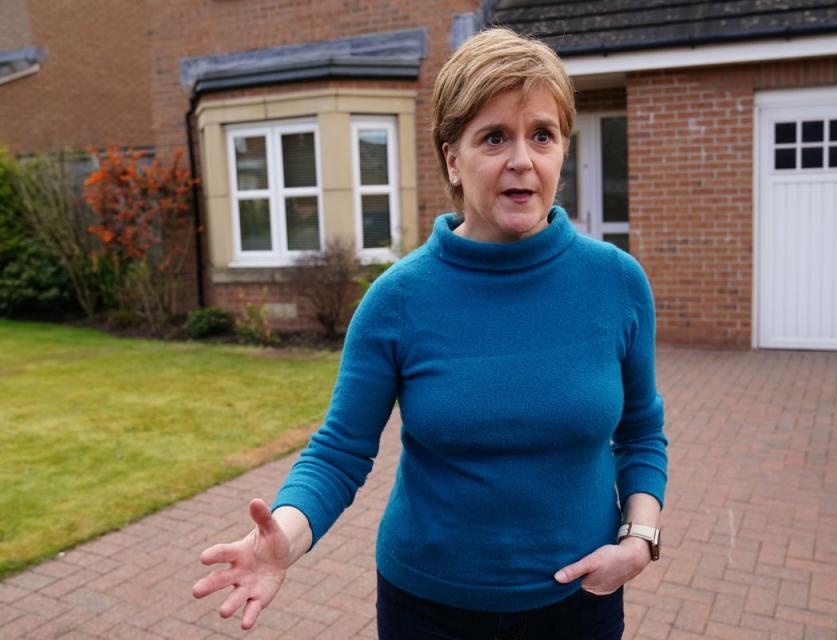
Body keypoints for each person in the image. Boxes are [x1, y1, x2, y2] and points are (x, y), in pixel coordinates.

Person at [192, 27, 668, 639]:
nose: (522, 159)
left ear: (561, 153)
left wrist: (640, 538)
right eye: (494, 137)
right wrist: (284, 535)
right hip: (429, 609)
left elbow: (641, 431)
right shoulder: (399, 299)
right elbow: (340, 451)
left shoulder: (616, 284)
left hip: (580, 601)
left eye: (541, 136)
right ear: (452, 158)